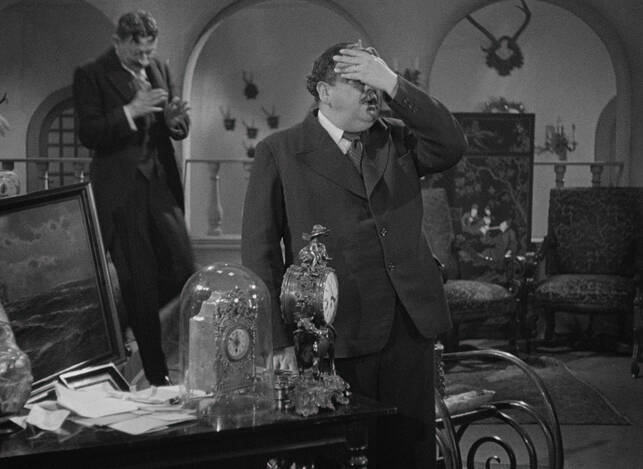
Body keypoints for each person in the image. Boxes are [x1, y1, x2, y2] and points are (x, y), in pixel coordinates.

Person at [241, 41, 467, 468]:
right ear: (325, 92)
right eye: (359, 82)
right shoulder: (280, 151)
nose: (371, 93)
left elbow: (452, 144)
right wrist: (277, 339)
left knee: (410, 455)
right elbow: (259, 252)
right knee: (344, 456)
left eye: (374, 82)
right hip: (334, 333)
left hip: (408, 326)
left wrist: (394, 82)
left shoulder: (398, 140)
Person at [72, 10, 195, 386]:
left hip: (159, 183)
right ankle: (157, 375)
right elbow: (88, 132)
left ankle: (120, 317)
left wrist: (175, 122)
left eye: (149, 50)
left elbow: (173, 124)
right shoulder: (91, 74)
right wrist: (130, 111)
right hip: (121, 191)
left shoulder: (159, 68)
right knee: (139, 280)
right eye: (137, 51)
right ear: (118, 42)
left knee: (183, 268)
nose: (144, 58)